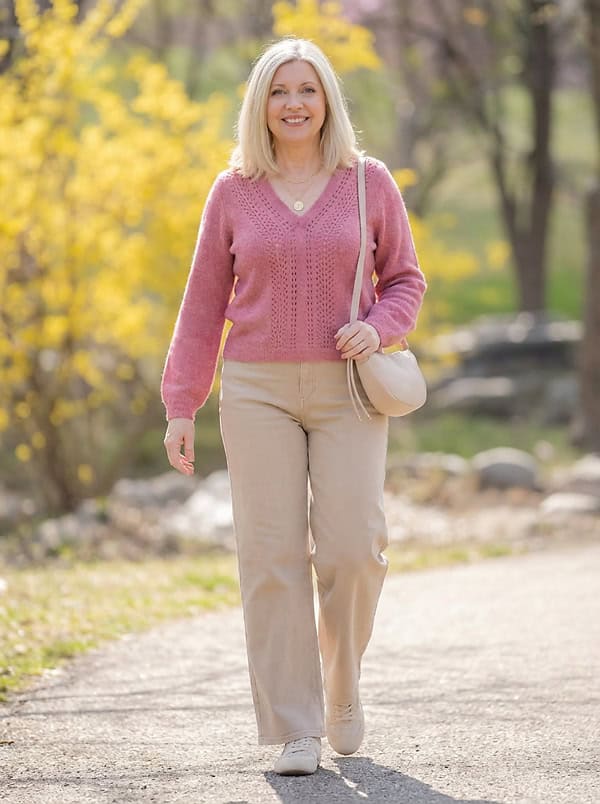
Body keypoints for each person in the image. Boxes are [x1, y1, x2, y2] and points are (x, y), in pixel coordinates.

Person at [161, 37, 427, 776]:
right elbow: (202, 304)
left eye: (308, 89)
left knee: (353, 547)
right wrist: (182, 402)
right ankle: (296, 727)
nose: (295, 104)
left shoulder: (369, 183)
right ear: (261, 105)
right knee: (272, 557)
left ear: (328, 100)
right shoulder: (233, 189)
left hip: (347, 391)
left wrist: (378, 326)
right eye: (280, 91)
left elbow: (406, 279)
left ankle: (341, 686)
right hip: (256, 391)